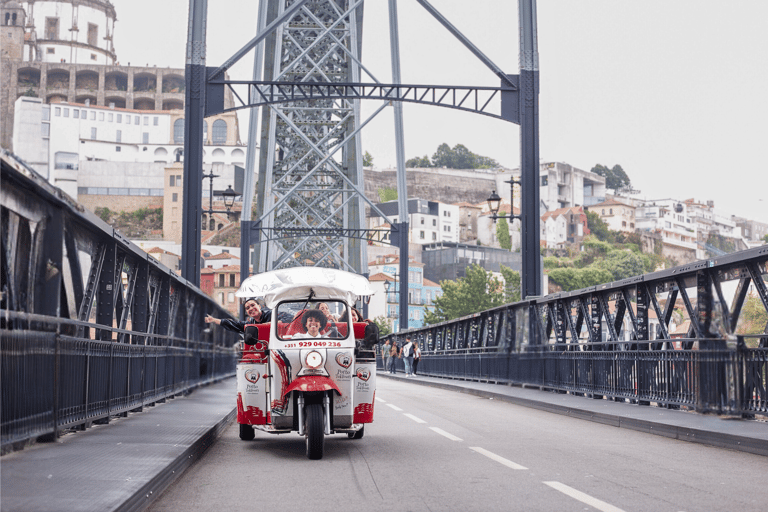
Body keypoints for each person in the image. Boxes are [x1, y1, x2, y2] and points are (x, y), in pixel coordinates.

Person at [205, 298, 271, 334]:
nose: (251, 309)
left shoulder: (271, 315)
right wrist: (213, 320)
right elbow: (233, 324)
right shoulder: (249, 324)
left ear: (259, 306)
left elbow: (281, 320)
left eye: (253, 305)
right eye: (247, 308)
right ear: (247, 312)